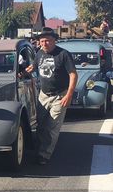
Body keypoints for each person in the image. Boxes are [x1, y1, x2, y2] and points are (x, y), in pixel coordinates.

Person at [24, 27, 77, 165]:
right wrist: (23, 72)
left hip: (59, 96)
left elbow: (73, 74)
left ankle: (44, 155)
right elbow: (33, 67)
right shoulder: (39, 53)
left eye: (48, 41)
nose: (44, 43)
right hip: (43, 95)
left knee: (52, 127)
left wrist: (69, 95)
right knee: (40, 125)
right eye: (42, 41)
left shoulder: (64, 54)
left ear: (54, 40)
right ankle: (40, 148)